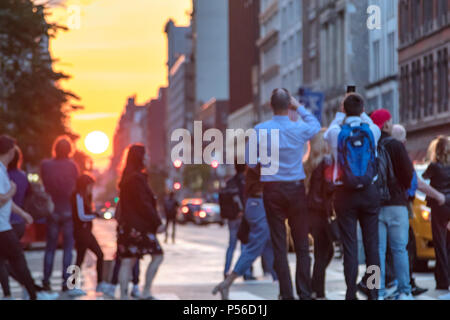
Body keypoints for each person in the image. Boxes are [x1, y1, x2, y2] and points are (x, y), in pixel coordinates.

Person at [253, 88, 320, 300]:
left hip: (272, 189)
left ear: (270, 106)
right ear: (288, 105)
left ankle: (286, 292)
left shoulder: (260, 130)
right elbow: (316, 125)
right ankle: (304, 292)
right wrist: (299, 107)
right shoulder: (298, 127)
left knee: (279, 244)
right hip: (296, 188)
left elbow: (250, 161)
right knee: (301, 243)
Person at [324, 93, 381, 300]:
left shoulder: (335, 132)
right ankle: (373, 292)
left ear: (343, 109)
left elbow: (327, 132)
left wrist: (341, 114)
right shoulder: (372, 131)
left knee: (350, 247)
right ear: (362, 108)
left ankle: (350, 293)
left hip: (344, 193)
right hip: (369, 192)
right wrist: (360, 112)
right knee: (372, 246)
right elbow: (370, 121)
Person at [0, 136, 58, 300]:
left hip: (5, 224)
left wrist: (23, 213)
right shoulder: (0, 171)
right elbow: (1, 199)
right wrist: (12, 190)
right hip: (2, 227)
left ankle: (9, 295)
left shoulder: (3, 170)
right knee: (19, 260)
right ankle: (34, 294)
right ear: (11, 151)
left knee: (4, 262)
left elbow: (6, 202)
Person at [212, 164, 276, 300]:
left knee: (267, 245)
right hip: (256, 206)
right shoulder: (259, 164)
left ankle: (279, 281)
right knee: (254, 246)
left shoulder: (237, 178)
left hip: (251, 208)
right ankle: (228, 281)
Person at [370, 109, 415, 300]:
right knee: (399, 249)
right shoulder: (396, 145)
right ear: (387, 124)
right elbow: (408, 173)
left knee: (376, 251)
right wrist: (402, 190)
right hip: (397, 203)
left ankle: (377, 291)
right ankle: (404, 290)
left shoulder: (369, 143)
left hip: (374, 206)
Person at [117, 144, 164, 300]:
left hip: (126, 227)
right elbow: (144, 204)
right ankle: (146, 291)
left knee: (127, 261)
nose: (148, 158)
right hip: (139, 228)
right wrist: (157, 222)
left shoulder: (126, 178)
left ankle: (124, 296)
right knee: (157, 255)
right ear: (140, 158)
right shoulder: (137, 178)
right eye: (146, 155)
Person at [40, 136, 81, 295]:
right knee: (69, 249)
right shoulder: (72, 166)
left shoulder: (46, 165)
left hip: (52, 210)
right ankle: (67, 283)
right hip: (68, 210)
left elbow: (44, 184)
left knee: (50, 248)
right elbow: (75, 188)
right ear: (69, 150)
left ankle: (46, 281)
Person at [304, 129, 335, 300]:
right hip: (321, 213)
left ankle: (315, 287)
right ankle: (317, 289)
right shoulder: (325, 163)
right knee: (324, 252)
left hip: (310, 213)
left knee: (321, 252)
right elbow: (328, 188)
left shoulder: (308, 163)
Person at [0, 146, 30, 299]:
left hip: (7, 223)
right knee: (15, 260)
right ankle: (30, 290)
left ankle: (13, 292)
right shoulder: (21, 176)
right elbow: (25, 197)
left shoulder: (4, 173)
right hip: (15, 223)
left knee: (7, 261)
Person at [71, 173, 108, 294]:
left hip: (87, 231)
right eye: (90, 185)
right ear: (84, 185)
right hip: (81, 232)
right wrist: (94, 215)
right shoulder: (78, 196)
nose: (91, 188)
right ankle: (73, 286)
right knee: (80, 258)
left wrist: (94, 213)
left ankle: (100, 284)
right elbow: (81, 216)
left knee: (99, 254)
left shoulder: (86, 196)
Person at [423, 136, 450, 297]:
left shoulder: (434, 166)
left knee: (439, 244)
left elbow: (424, 177)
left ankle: (443, 280)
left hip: (439, 206)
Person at [222, 162, 254, 281]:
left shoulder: (230, 182)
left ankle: (226, 271)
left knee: (231, 245)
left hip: (231, 218)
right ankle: (246, 272)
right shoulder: (245, 181)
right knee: (245, 245)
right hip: (242, 216)